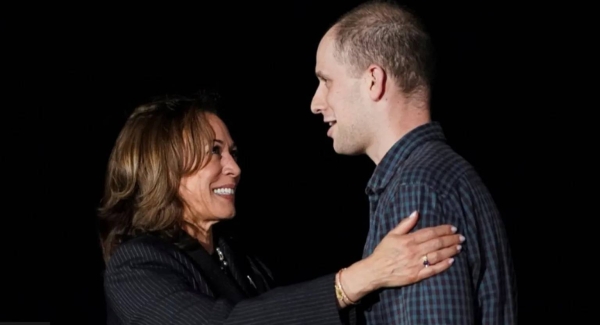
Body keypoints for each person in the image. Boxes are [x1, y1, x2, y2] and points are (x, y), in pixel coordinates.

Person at [98, 92, 464, 325]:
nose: (235, 168)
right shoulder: (135, 267)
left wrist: (393, 277)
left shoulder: (239, 259)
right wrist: (360, 277)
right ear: (164, 166)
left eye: (232, 152)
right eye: (214, 151)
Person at [310, 1, 517, 324]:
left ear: (373, 81)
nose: (315, 103)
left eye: (326, 81)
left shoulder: (418, 189)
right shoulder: (441, 175)